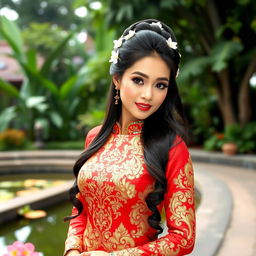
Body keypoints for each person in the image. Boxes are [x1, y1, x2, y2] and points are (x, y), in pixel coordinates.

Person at [63, 19, 196, 256]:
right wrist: (72, 249)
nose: (148, 95)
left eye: (161, 85)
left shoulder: (172, 147)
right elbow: (82, 210)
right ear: (117, 79)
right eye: (138, 80)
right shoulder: (94, 137)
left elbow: (183, 238)